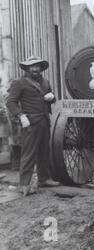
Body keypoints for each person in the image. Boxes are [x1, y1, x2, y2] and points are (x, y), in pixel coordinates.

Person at [6, 56, 61, 196]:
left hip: (44, 121)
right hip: (30, 123)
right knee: (29, 154)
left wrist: (52, 97)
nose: (35, 69)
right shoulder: (20, 83)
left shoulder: (45, 82)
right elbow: (11, 102)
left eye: (37, 66)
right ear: (27, 69)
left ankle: (44, 179)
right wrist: (20, 116)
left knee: (44, 151)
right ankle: (24, 185)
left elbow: (52, 96)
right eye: (32, 67)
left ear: (41, 68)